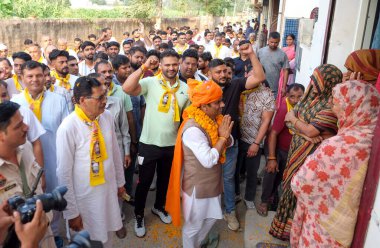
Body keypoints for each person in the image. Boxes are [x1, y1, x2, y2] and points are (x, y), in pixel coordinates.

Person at [290, 80, 380, 247]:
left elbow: (300, 183)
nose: (331, 104)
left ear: (351, 106)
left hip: (323, 229)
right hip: (343, 227)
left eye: (336, 101)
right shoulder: (370, 139)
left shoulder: (340, 146)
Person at [269, 64, 342, 241]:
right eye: (313, 79)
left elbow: (301, 124)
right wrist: (305, 132)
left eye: (317, 81)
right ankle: (282, 229)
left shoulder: (331, 106)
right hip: (298, 150)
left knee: (301, 192)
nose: (313, 84)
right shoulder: (310, 99)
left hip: (313, 158)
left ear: (328, 83)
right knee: (288, 189)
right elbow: (289, 120)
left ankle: (296, 233)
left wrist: (299, 123)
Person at [123, 49, 190, 238]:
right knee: (144, 182)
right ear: (160, 65)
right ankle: (139, 214)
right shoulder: (150, 82)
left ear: (179, 64)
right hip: (149, 143)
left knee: (165, 180)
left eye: (174, 64)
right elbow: (127, 88)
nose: (170, 68)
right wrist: (144, 67)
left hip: (172, 145)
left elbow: (188, 116)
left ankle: (159, 207)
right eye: (166, 64)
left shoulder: (186, 88)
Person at [56, 77, 126, 247]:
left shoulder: (106, 117)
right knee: (88, 241)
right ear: (82, 101)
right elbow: (63, 173)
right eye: (99, 98)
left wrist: (120, 182)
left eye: (105, 95)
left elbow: (115, 152)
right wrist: (71, 212)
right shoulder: (68, 127)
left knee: (107, 238)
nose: (105, 101)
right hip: (85, 199)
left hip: (107, 191)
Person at [166, 79, 233, 247]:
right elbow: (209, 159)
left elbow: (230, 141)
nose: (222, 105)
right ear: (204, 107)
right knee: (193, 227)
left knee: (211, 219)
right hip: (198, 188)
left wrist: (225, 138)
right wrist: (223, 138)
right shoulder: (193, 129)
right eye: (217, 102)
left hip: (212, 184)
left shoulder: (214, 119)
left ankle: (197, 243)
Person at [208, 43, 265, 231]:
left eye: (225, 71)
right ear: (210, 74)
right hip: (208, 144)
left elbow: (260, 77)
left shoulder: (235, 84)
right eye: (218, 72)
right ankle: (207, 211)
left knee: (228, 177)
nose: (223, 75)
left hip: (230, 143)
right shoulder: (203, 89)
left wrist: (251, 55)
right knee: (208, 177)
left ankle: (230, 211)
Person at [12, 61, 69, 242]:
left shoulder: (58, 100)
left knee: (55, 199)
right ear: (22, 79)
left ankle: (56, 237)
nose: (35, 80)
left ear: (45, 76)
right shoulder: (15, 104)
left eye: (39, 75)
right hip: (27, 164)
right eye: (30, 76)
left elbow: (66, 133)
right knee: (32, 202)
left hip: (55, 159)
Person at [0, 101, 55, 248]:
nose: (26, 127)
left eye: (23, 121)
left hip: (46, 235)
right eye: (18, 126)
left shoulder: (26, 147)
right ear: (1, 136)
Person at [257, 84, 305, 216]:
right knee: (271, 171)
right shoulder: (285, 108)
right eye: (292, 97)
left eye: (300, 97)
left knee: (280, 174)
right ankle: (264, 201)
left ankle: (272, 194)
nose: (296, 100)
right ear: (286, 96)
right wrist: (272, 158)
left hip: (287, 149)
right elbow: (273, 134)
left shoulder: (302, 107)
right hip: (275, 146)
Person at [236, 77, 276, 209]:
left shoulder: (267, 94)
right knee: (233, 171)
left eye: (256, 73)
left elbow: (266, 121)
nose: (252, 76)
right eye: (250, 73)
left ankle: (249, 197)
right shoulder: (240, 89)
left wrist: (256, 143)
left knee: (251, 172)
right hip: (235, 138)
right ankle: (236, 194)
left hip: (253, 140)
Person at [257, 32, 289, 98]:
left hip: (274, 88)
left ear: (279, 41)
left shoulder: (282, 54)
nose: (273, 44)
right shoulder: (260, 52)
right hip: (259, 86)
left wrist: (284, 87)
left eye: (276, 42)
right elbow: (254, 67)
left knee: (271, 107)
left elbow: (286, 71)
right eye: (271, 42)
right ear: (268, 40)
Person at [276, 34, 296, 108]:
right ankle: (279, 104)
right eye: (287, 39)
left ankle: (286, 105)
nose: (288, 41)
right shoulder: (283, 49)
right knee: (280, 88)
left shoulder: (295, 49)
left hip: (289, 72)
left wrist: (287, 62)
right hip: (281, 72)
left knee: (287, 88)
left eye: (290, 39)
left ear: (293, 40)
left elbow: (293, 62)